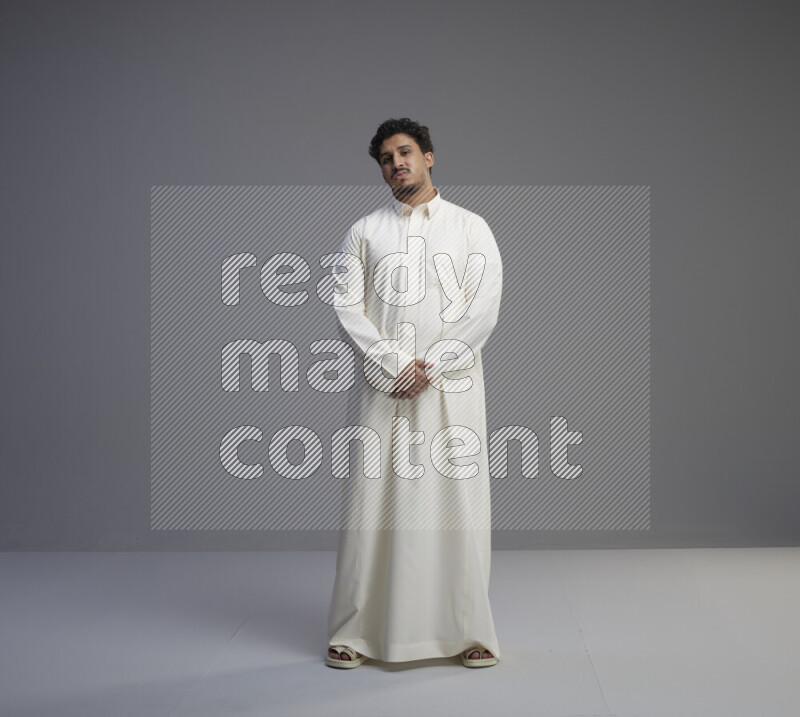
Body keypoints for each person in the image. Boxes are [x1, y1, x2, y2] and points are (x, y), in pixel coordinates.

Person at [325, 118, 503, 668]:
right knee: (372, 508)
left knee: (457, 506)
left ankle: (469, 632)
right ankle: (354, 633)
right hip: (387, 389)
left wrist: (437, 365)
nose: (395, 163)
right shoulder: (364, 232)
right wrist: (396, 364)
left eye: (404, 152)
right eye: (385, 158)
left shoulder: (472, 228)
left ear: (429, 157)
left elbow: (483, 307)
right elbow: (346, 305)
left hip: (453, 389)